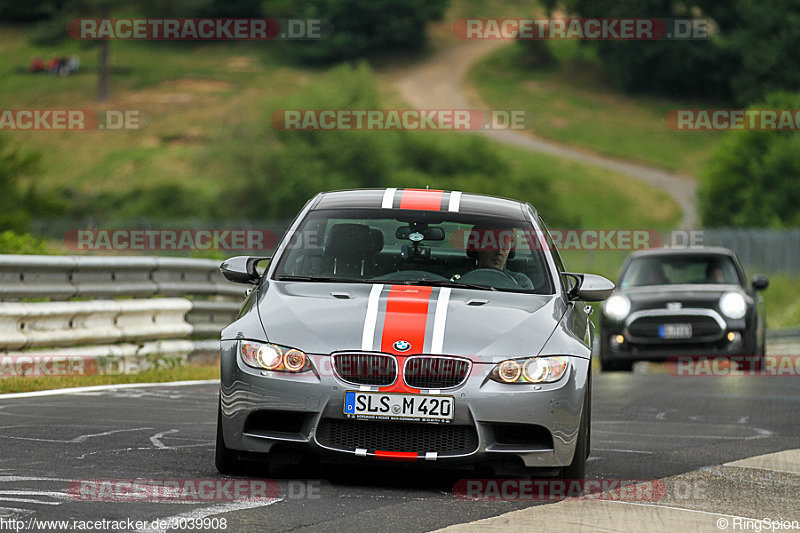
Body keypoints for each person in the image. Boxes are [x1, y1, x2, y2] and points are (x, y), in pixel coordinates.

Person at [464, 226, 534, 289]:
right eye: (493, 245)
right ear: (478, 246)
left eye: (505, 247)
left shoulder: (520, 282)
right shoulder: (460, 279)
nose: (499, 252)